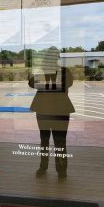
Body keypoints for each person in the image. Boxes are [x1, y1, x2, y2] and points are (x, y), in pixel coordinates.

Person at [28, 49, 75, 179]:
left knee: (45, 140)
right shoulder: (62, 71)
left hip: (48, 110)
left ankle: (44, 168)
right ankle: (61, 170)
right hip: (59, 110)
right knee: (59, 141)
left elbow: (32, 83)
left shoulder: (59, 72)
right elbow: (31, 83)